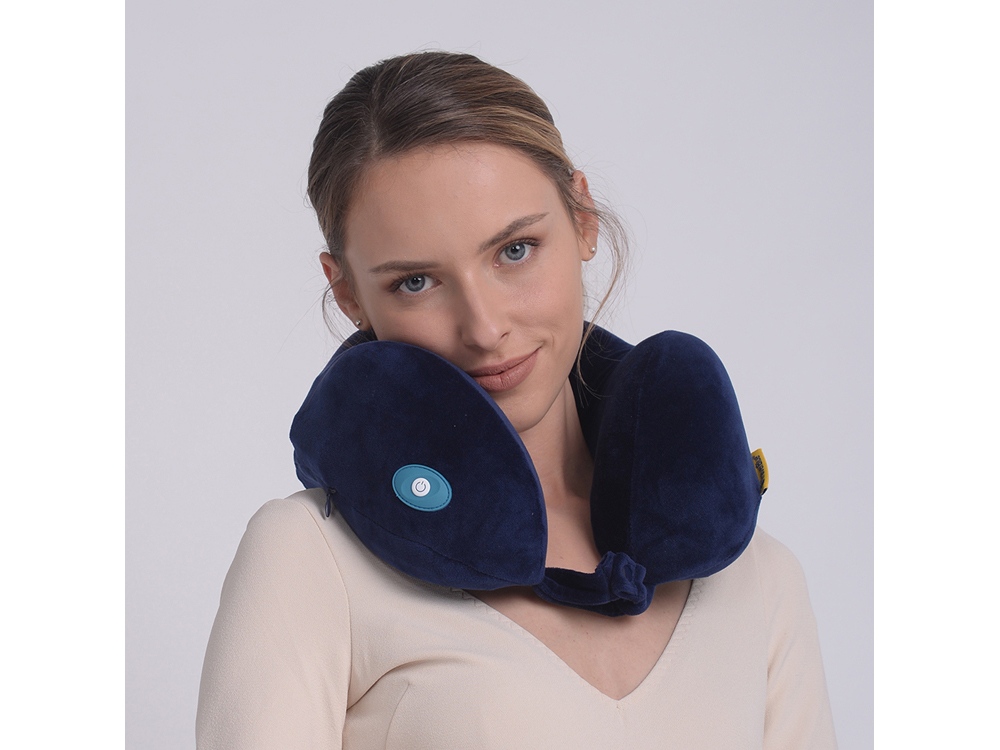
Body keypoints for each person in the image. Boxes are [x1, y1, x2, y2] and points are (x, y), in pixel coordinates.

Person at [196, 51, 837, 748]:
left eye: (515, 250)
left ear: (583, 217)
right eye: (416, 282)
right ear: (348, 292)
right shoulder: (311, 560)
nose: (484, 327)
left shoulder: (757, 577)